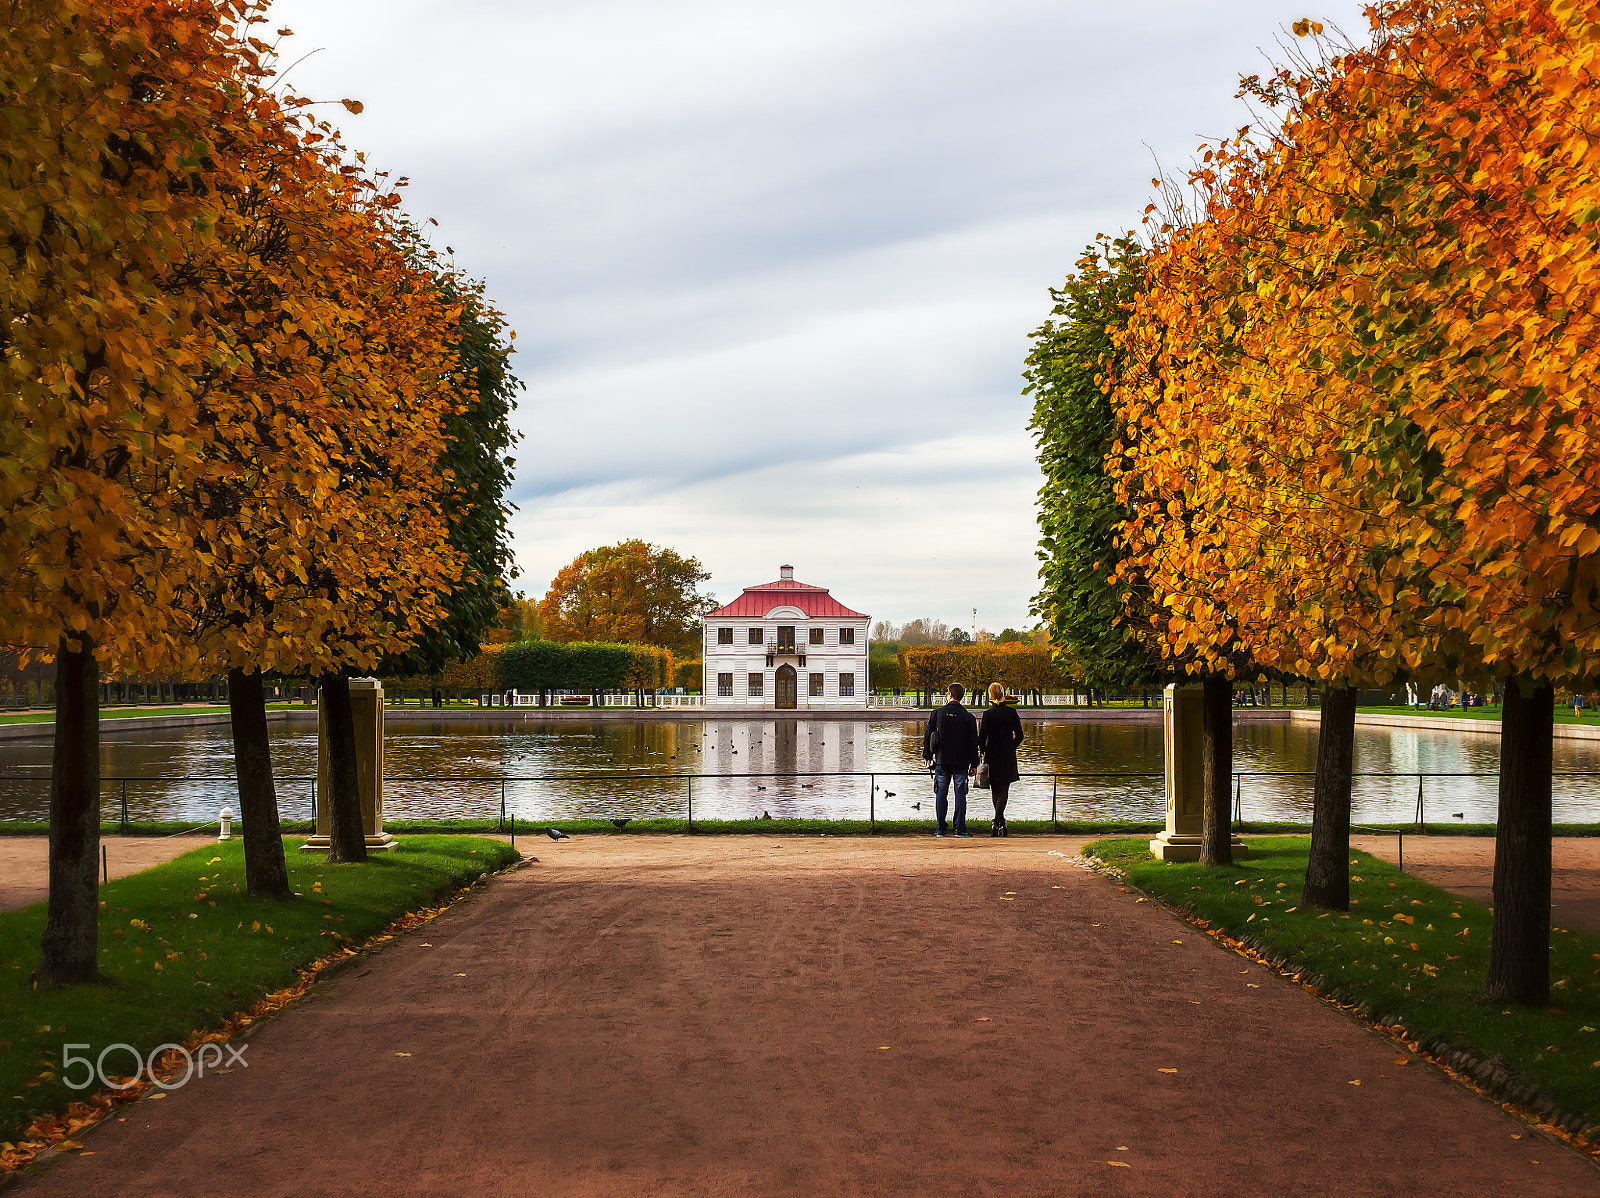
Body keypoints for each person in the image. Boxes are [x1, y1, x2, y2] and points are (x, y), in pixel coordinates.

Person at [922, 683, 979, 837]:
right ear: (962, 696)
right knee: (960, 794)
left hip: (941, 760)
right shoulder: (968, 717)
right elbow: (973, 743)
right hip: (961, 762)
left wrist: (927, 756)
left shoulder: (937, 713)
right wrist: (974, 764)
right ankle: (960, 829)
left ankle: (941, 828)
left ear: (949, 695)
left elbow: (928, 737)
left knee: (941, 793)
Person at [978, 682, 1025, 837]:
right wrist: (1011, 746)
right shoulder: (1012, 713)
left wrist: (985, 750)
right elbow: (1020, 735)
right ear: (1003, 694)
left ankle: (997, 822)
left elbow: (982, 738)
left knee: (995, 788)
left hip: (992, 755)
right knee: (1004, 787)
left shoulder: (988, 714)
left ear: (991, 695)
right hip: (1007, 754)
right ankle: (1000, 823)